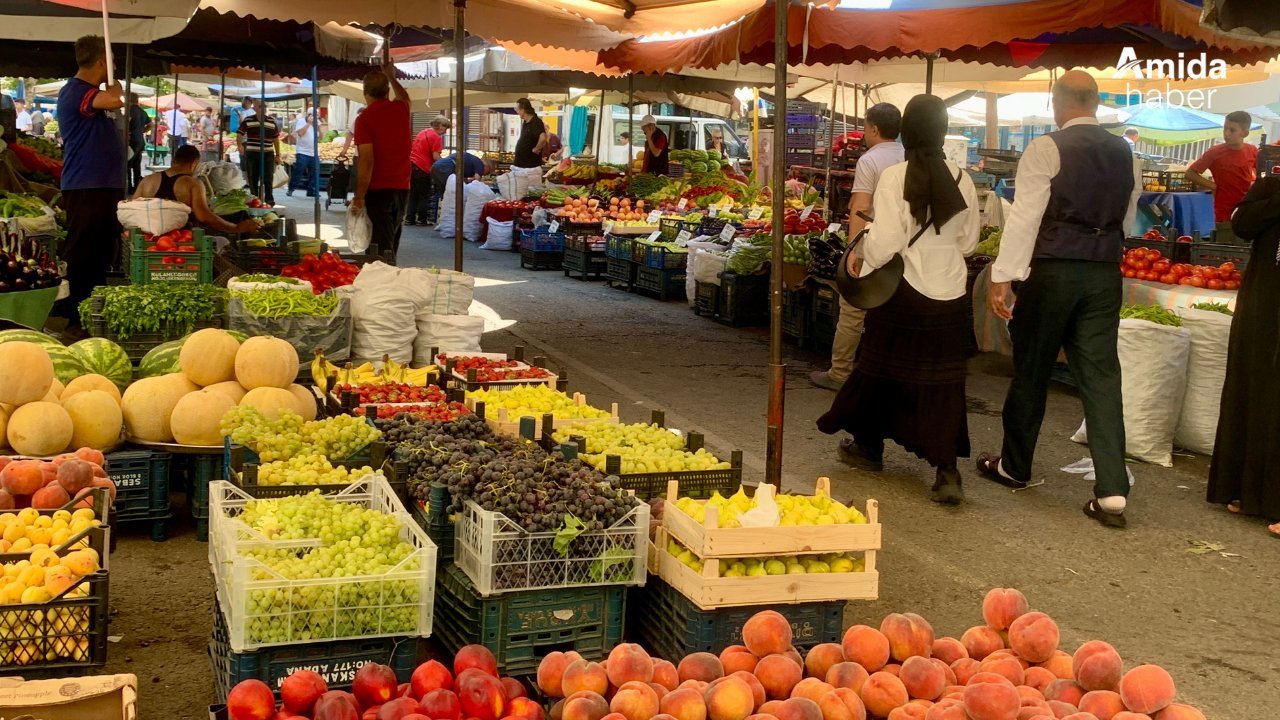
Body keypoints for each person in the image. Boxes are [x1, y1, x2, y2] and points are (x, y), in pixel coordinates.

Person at [981, 70, 1142, 528]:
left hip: (1053, 269)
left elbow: (1025, 219)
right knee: (1101, 377)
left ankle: (1015, 466)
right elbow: (1127, 219)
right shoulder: (1125, 153)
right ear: (1094, 102)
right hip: (1104, 271)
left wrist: (1003, 275)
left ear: (1058, 102)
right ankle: (1112, 491)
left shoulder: (1046, 147)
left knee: (1032, 367)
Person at [816, 94, 978, 505]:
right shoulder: (963, 179)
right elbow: (970, 242)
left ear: (908, 131)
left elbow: (884, 245)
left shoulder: (895, 177)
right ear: (942, 132)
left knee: (880, 370)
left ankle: (868, 447)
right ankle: (946, 470)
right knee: (942, 384)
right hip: (951, 295)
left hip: (903, 294)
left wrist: (861, 251)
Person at [811, 103, 904, 392]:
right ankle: (889, 373)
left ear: (874, 128)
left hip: (874, 241)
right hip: (904, 246)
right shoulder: (910, 156)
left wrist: (853, 249)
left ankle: (840, 371)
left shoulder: (870, 160)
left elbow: (860, 207)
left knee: (853, 309)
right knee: (892, 311)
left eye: (865, 127)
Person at [1206, 176, 1280, 536]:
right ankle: (1247, 492)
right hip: (1264, 300)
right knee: (1254, 386)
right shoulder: (1271, 185)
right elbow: (1242, 225)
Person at [54, 35, 125, 331]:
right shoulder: (76, 91)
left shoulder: (89, 91)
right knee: (83, 251)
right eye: (112, 61)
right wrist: (114, 79)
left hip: (101, 184)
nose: (115, 66)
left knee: (99, 251)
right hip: (86, 184)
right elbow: (115, 98)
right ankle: (75, 311)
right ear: (101, 62)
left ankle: (91, 309)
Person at [351, 63, 412, 261]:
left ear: (365, 92)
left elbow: (367, 160)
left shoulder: (364, 119)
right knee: (391, 240)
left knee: (379, 246)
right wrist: (391, 76)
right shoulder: (400, 109)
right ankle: (388, 278)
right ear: (387, 91)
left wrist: (359, 195)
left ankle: (384, 283)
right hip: (402, 187)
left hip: (378, 189)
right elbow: (405, 97)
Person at [133, 145, 260, 234]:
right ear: (194, 163)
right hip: (181, 242)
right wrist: (236, 227)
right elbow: (204, 216)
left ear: (173, 160)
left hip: (148, 238)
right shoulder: (193, 183)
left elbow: (133, 209)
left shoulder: (147, 180)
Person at [1186, 111, 1258, 223]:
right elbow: (1190, 173)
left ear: (1245, 133)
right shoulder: (1214, 152)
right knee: (1225, 239)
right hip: (1223, 211)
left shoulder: (1252, 150)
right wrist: (1213, 186)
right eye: (1225, 128)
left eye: (1232, 130)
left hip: (1247, 209)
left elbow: (1262, 173)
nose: (1226, 134)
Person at [407, 115, 451, 226]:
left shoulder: (423, 132)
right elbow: (436, 156)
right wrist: (446, 163)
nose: (445, 132)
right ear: (441, 126)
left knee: (413, 194)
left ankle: (409, 218)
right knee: (424, 195)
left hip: (411, 165)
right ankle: (421, 219)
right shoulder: (436, 137)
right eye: (446, 128)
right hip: (423, 167)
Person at [237, 100, 280, 206]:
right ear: (255, 108)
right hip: (252, 153)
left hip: (268, 153)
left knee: (268, 177)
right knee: (253, 177)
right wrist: (240, 145)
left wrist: (278, 155)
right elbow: (240, 133)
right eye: (261, 106)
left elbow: (276, 139)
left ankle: (269, 199)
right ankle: (254, 199)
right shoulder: (248, 120)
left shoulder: (271, 121)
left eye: (264, 106)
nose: (263, 108)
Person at [430, 152, 494, 202]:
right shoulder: (480, 164)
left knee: (445, 195)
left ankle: (444, 213)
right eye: (487, 173)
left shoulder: (471, 161)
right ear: (487, 166)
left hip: (436, 165)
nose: (484, 174)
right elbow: (476, 183)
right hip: (447, 166)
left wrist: (468, 182)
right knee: (452, 193)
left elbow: (463, 179)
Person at [288, 102, 319, 197]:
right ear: (308, 115)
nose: (315, 117)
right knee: (299, 171)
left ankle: (311, 190)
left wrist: (318, 126)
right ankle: (291, 189)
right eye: (313, 115)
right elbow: (300, 133)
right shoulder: (302, 121)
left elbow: (320, 136)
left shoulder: (316, 123)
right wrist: (308, 124)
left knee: (314, 172)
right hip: (302, 152)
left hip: (313, 152)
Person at [126, 94, 151, 193]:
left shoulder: (129, 111)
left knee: (127, 164)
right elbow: (150, 125)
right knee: (137, 165)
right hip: (140, 141)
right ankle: (137, 186)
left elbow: (126, 124)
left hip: (132, 141)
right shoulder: (143, 112)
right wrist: (142, 131)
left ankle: (129, 187)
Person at [514, 98, 548, 169]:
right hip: (522, 165)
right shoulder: (526, 122)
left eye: (517, 109)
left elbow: (543, 138)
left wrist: (536, 148)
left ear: (523, 110)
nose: (517, 112)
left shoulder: (536, 122)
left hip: (530, 166)